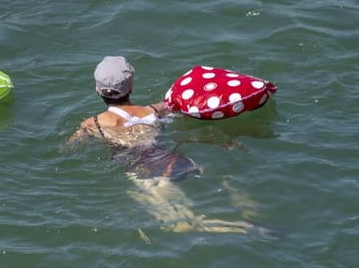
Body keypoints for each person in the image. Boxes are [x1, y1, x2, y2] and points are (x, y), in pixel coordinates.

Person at [68, 56, 270, 236]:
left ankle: (242, 227)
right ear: (131, 87)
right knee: (221, 183)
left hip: (148, 176)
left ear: (97, 90)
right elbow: (181, 106)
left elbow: (69, 149)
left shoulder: (92, 124)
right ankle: (246, 205)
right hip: (178, 161)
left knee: (179, 224)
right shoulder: (154, 110)